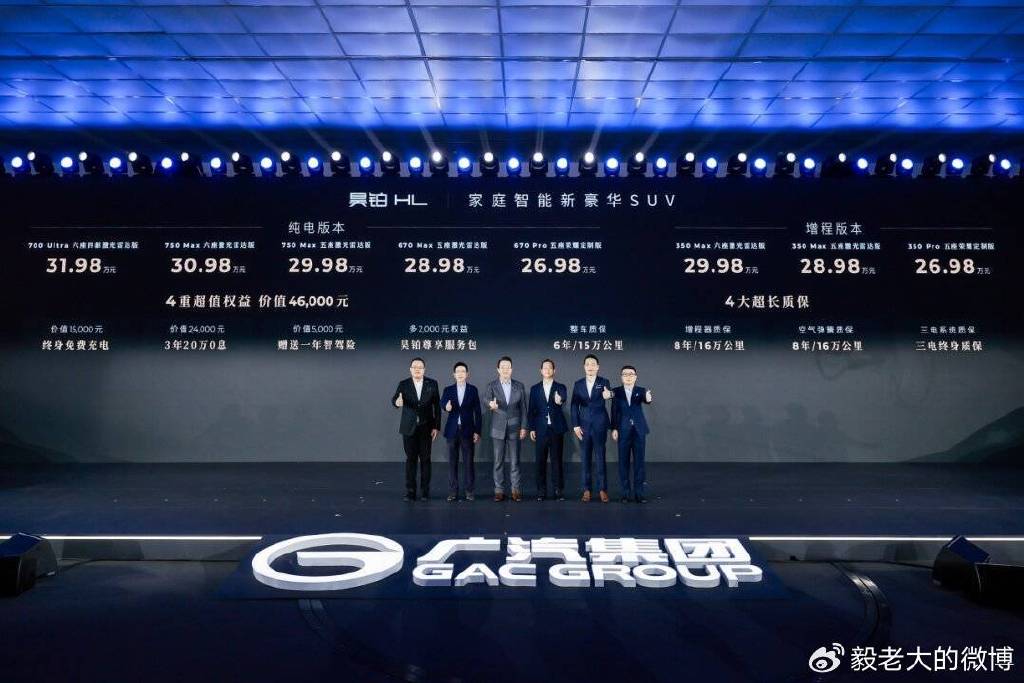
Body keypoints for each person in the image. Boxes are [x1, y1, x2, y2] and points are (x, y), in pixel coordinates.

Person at [391, 357, 440, 501]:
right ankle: (410, 491)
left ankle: (425, 491)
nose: (417, 369)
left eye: (420, 367)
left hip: (426, 427)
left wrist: (436, 426)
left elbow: (437, 406)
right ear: (410, 369)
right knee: (410, 459)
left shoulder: (432, 383)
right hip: (409, 427)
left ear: (424, 369)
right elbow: (394, 399)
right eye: (415, 367)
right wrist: (397, 402)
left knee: (426, 460)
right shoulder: (404, 384)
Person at [482, 356, 528, 502]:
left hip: (515, 427)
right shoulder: (491, 386)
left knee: (515, 461)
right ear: (498, 369)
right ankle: (499, 490)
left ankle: (516, 490)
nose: (505, 369)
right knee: (498, 461)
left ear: (511, 369)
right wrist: (491, 405)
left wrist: (524, 427)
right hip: (498, 428)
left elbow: (523, 408)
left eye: (508, 367)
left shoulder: (519, 386)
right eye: (503, 367)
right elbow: (486, 400)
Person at [571, 354, 612, 503]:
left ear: (598, 367)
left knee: (600, 457)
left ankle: (603, 490)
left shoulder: (604, 381)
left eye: (593, 364)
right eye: (587, 364)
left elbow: (609, 394)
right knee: (585, 458)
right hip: (583, 426)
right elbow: (574, 405)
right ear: (584, 367)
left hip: (600, 424)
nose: (590, 366)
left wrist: (609, 395)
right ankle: (586, 490)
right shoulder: (578, 384)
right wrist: (575, 425)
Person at [440, 362, 482, 502]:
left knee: (469, 462)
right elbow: (442, 403)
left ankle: (469, 491)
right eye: (457, 371)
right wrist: (446, 407)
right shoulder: (448, 389)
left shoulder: (473, 390)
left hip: (468, 430)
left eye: (463, 371)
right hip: (452, 431)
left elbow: (478, 412)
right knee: (452, 463)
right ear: (454, 374)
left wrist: (477, 431)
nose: (460, 373)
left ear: (467, 374)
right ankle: (453, 492)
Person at [610, 365, 653, 503]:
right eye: (625, 374)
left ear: (635, 377)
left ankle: (639, 494)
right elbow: (614, 411)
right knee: (623, 463)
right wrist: (614, 428)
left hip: (639, 430)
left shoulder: (641, 391)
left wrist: (648, 399)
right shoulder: (616, 392)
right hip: (623, 430)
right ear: (621, 377)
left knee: (639, 463)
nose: (628, 376)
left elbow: (646, 399)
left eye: (631, 374)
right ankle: (625, 493)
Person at [528, 358, 568, 501]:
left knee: (557, 461)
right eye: (545, 368)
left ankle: (558, 490)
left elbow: (563, 398)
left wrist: (559, 400)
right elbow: (531, 410)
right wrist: (532, 428)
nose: (547, 370)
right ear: (541, 371)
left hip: (556, 429)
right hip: (540, 429)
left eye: (550, 367)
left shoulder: (560, 387)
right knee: (540, 461)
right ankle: (541, 491)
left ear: (554, 370)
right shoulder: (534, 389)